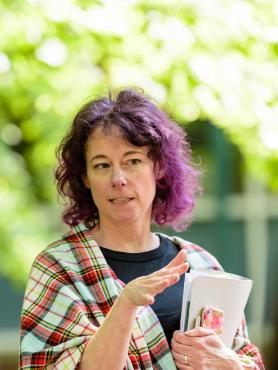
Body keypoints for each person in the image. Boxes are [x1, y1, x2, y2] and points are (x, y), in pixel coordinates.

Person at [20, 88, 264, 369]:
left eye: (132, 161)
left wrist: (228, 364)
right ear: (85, 178)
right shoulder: (59, 268)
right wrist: (126, 305)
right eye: (102, 165)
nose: (118, 178)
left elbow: (247, 360)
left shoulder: (202, 265)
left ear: (158, 167)